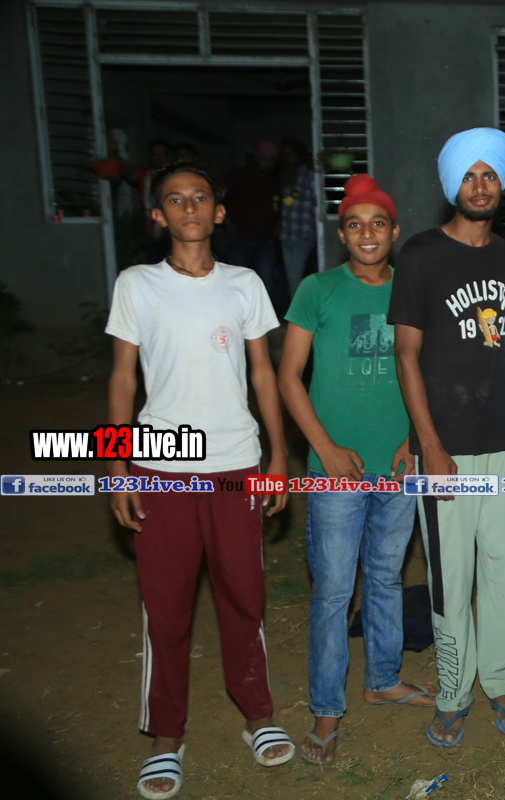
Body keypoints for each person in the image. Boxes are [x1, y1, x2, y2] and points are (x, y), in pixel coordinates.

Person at [105, 162, 294, 799]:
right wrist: (116, 465)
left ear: (219, 211)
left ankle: (258, 714)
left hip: (236, 462)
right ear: (158, 215)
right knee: (166, 604)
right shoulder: (137, 284)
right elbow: (123, 378)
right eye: (175, 199)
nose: (189, 207)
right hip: (160, 464)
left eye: (200, 197)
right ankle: (166, 734)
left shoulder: (244, 283)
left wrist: (277, 456)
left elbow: (263, 374)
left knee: (244, 594)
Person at [278, 174, 437, 766]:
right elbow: (287, 376)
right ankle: (326, 708)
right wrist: (323, 448)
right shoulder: (317, 290)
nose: (367, 234)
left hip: (398, 466)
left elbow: (427, 371)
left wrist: (413, 439)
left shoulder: (412, 290)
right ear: (341, 233)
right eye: (354, 224)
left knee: (388, 578)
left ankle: (383, 678)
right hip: (335, 471)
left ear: (394, 231)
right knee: (333, 591)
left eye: (377, 224)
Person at [389, 127, 505, 747]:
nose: (480, 186)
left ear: (502, 183)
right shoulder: (420, 254)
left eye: (489, 175)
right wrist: (428, 443)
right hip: (445, 448)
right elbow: (406, 354)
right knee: (452, 578)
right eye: (469, 176)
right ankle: (452, 693)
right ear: (453, 185)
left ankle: (501, 681)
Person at [223, 142, 281, 294]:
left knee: (265, 280)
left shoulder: (274, 180)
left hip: (265, 239)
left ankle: (264, 310)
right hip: (239, 237)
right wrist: (227, 220)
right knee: (236, 279)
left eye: (272, 160)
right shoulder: (239, 176)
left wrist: (277, 226)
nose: (268, 163)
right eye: (264, 159)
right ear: (256, 159)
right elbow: (217, 194)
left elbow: (278, 206)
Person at [278, 136, 318, 297]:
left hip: (303, 233)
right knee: (291, 277)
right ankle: (299, 307)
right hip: (286, 234)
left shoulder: (308, 175)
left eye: (291, 153)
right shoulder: (285, 175)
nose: (288, 156)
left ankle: (300, 310)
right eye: (285, 153)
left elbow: (318, 201)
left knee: (295, 276)